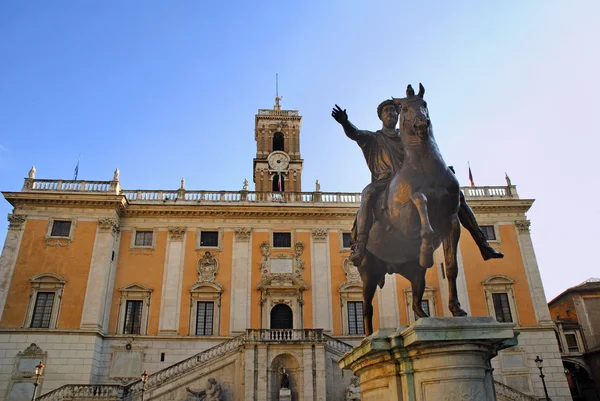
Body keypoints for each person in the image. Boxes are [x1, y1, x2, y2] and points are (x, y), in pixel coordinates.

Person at [332, 101, 503, 266]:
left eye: (393, 111)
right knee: (367, 193)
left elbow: (426, 154)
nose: (391, 114)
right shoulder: (373, 138)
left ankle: (482, 243)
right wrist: (345, 122)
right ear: (381, 117)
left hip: (412, 179)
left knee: (456, 193)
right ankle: (360, 244)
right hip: (384, 181)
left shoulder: (407, 137)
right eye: (387, 112)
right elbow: (355, 134)